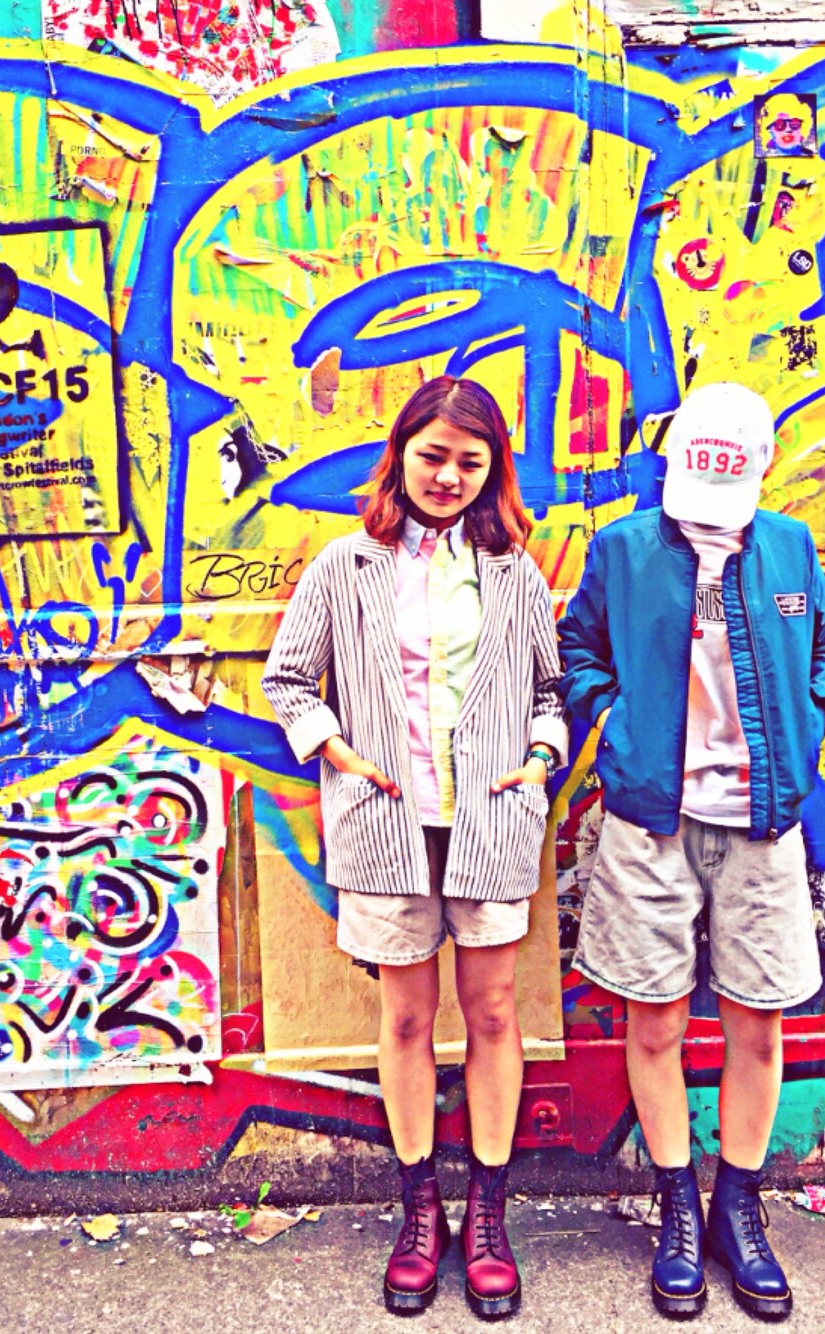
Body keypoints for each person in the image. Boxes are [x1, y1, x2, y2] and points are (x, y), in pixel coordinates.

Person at [263, 376, 565, 1318]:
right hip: (386, 818)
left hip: (489, 818)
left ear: (493, 470)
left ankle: (489, 1215)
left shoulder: (514, 574)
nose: (448, 476)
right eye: (433, 455)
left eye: (471, 462)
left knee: (494, 1013)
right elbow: (287, 679)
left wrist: (539, 759)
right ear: (400, 455)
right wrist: (338, 751)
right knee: (403, 1020)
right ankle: (420, 1211)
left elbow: (550, 692)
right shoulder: (346, 565)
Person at [558, 381, 825, 1321]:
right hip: (652, 821)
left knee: (757, 1025)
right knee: (653, 1023)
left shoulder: (790, 547)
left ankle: (739, 1205)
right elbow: (578, 650)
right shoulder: (624, 549)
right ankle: (678, 1205)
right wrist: (616, 726)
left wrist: (819, 710)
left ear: (760, 470)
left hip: (762, 825)